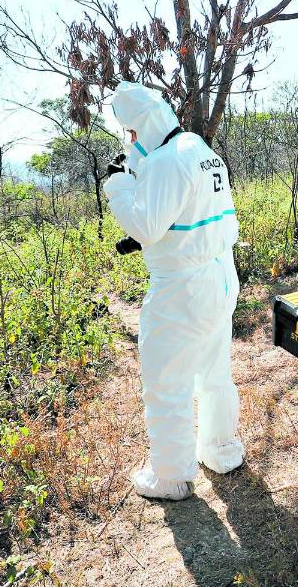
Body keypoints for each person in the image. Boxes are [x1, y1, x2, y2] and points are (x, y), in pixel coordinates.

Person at [104, 81, 244, 500]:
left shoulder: (166, 160)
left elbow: (147, 223)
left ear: (139, 127)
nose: (129, 143)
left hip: (182, 286)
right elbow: (185, 214)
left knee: (167, 380)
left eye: (129, 134)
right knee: (214, 371)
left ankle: (171, 476)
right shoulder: (198, 149)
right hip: (219, 273)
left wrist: (118, 187)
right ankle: (221, 450)